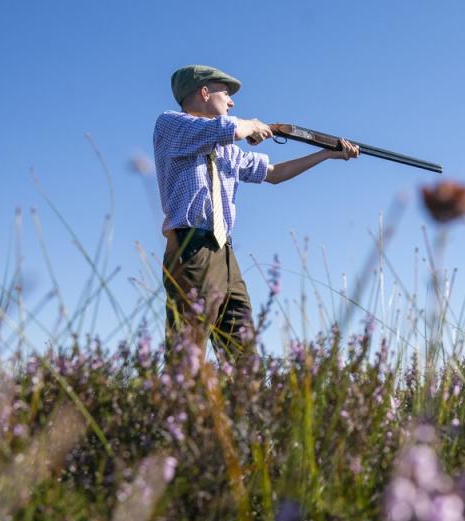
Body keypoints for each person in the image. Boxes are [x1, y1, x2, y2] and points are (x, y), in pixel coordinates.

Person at [153, 65, 359, 360]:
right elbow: (232, 129)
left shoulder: (225, 148)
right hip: (192, 248)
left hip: (226, 252)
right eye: (226, 93)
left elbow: (274, 173)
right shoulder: (171, 125)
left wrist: (327, 153)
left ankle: (245, 403)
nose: (231, 101)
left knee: (244, 356)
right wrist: (255, 125)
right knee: (188, 354)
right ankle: (173, 406)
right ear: (203, 92)